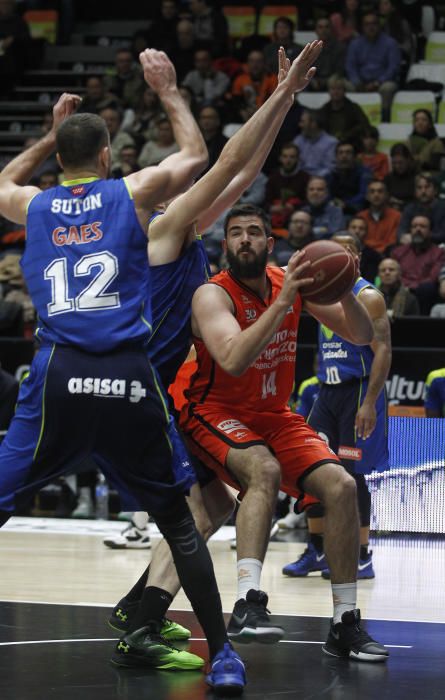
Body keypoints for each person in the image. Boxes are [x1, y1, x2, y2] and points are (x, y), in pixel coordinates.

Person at [0, 51, 245, 693]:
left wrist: (49, 134)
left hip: (57, 375)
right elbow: (194, 156)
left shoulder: (36, 206)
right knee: (178, 520)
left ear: (61, 159)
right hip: (129, 378)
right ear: (108, 156)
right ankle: (222, 655)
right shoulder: (131, 195)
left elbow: (2, 181)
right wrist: (168, 92)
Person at [105, 41, 328, 658]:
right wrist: (283, 91)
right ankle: (142, 626)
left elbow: (244, 171)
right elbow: (225, 160)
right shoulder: (165, 227)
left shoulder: (174, 229)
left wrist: (284, 98)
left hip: (143, 385)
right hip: (147, 392)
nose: (180, 183)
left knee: (207, 507)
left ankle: (137, 608)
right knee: (199, 513)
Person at [180, 204, 388, 661]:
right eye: (236, 234)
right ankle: (249, 602)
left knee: (341, 485)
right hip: (214, 408)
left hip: (273, 412)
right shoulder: (213, 294)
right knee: (264, 470)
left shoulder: (287, 282)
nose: (246, 240)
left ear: (270, 244)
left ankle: (345, 622)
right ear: (226, 245)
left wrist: (342, 285)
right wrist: (282, 302)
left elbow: (358, 335)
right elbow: (233, 359)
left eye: (255, 233)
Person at [283, 231, 391, 582]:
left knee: (352, 476)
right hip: (326, 394)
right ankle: (316, 549)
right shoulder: (320, 292)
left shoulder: (369, 296)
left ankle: (361, 556)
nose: (338, 259)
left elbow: (384, 351)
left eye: (345, 253)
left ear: (356, 258)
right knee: (310, 466)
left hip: (357, 394)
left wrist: (371, 402)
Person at [345, 10, 400, 119]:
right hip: (360, 83)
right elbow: (350, 66)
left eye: (374, 24)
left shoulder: (390, 43)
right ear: (362, 27)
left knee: (388, 88)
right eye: (367, 24)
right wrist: (357, 82)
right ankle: (352, 117)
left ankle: (384, 118)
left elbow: (393, 68)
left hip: (382, 83)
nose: (371, 27)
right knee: (343, 85)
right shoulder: (355, 44)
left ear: (379, 25)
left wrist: (378, 82)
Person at [392, 215, 445, 315]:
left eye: (422, 226)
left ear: (430, 231)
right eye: (414, 226)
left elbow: (433, 277)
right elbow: (395, 274)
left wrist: (411, 286)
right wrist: (405, 286)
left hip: (423, 291)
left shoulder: (439, 252)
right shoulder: (399, 251)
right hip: (401, 288)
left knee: (427, 288)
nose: (418, 229)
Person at [264, 143, 310, 230]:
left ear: (297, 159)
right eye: (285, 156)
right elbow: (266, 202)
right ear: (280, 158)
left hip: (298, 216)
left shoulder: (305, 178)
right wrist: (272, 208)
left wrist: (294, 207)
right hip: (275, 216)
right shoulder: (273, 177)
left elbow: (308, 202)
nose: (288, 160)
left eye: (292, 157)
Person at [318, 77, 370, 149]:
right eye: (333, 89)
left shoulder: (353, 108)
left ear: (344, 91)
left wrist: (346, 136)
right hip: (328, 146)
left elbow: (364, 125)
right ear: (329, 91)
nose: (336, 92)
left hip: (350, 145)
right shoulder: (324, 110)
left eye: (339, 89)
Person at [397, 174, 445, 246]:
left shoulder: (443, 207)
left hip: (438, 246)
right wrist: (403, 237)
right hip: (414, 246)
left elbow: (443, 234)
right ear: (415, 192)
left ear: (435, 190)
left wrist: (420, 237)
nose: (423, 191)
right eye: (419, 188)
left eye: (427, 187)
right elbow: (401, 231)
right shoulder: (410, 208)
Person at [328, 141, 372, 216]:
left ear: (355, 156)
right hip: (335, 209)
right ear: (336, 157)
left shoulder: (365, 173)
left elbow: (363, 195)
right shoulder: (331, 174)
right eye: (340, 153)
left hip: (356, 211)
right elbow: (327, 195)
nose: (344, 156)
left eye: (348, 153)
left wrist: (345, 204)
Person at [357, 179, 400, 254]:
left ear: (386, 195)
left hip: (386, 255)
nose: (376, 195)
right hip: (365, 256)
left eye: (380, 191)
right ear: (367, 196)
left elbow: (392, 242)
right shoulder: (360, 216)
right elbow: (359, 241)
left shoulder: (397, 216)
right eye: (372, 191)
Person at [293, 110, 337, 178]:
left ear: (313, 124)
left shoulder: (331, 143)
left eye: (303, 122)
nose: (300, 125)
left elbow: (330, 169)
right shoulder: (298, 140)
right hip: (299, 180)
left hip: (321, 181)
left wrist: (313, 178)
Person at [407, 109, 445, 175]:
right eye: (417, 120)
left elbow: (434, 167)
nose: (420, 123)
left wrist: (417, 160)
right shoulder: (408, 142)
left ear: (430, 124)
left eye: (424, 120)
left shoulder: (436, 143)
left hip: (429, 179)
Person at [384, 143, 416, 211]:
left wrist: (401, 204)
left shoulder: (417, 178)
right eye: (394, 163)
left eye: (400, 162)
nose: (397, 166)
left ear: (408, 160)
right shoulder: (388, 178)